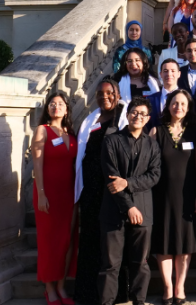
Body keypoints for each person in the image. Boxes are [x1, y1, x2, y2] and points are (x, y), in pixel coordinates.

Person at [98, 97, 161, 305]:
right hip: (114, 211)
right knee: (110, 265)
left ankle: (139, 301)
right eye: (134, 112)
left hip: (143, 211)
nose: (138, 116)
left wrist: (128, 183)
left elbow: (154, 175)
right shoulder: (111, 140)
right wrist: (129, 206)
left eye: (142, 114)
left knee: (141, 263)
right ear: (127, 114)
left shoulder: (152, 145)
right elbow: (111, 179)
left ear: (148, 119)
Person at [73, 79, 126, 304]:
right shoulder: (90, 119)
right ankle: (88, 293)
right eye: (100, 93)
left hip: (113, 191)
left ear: (118, 94)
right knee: (90, 240)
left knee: (112, 243)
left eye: (109, 93)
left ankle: (114, 294)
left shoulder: (123, 117)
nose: (104, 97)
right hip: (91, 190)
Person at [149, 89, 196, 304]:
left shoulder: (195, 133)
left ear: (188, 108)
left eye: (183, 104)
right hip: (161, 195)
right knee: (164, 242)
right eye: (174, 103)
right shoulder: (156, 132)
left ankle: (180, 287)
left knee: (184, 243)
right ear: (168, 105)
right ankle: (168, 288)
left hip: (187, 196)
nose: (178, 107)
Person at [32, 92, 78, 305]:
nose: (56, 107)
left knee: (67, 241)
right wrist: (41, 193)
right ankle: (49, 288)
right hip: (48, 192)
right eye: (52, 104)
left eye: (60, 104)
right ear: (47, 109)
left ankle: (61, 286)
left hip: (69, 194)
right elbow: (37, 165)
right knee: (49, 242)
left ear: (67, 109)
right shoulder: (43, 130)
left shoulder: (71, 133)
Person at [148, 59, 181, 129]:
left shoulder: (186, 98)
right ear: (161, 74)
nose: (169, 74)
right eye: (165, 71)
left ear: (179, 74)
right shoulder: (150, 99)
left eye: (173, 71)